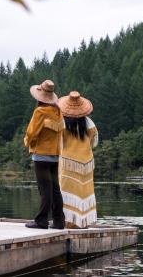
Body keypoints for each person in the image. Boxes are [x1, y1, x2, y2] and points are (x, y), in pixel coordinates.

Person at [24, 80, 65, 229]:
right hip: (55, 155)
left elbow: (31, 132)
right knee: (55, 189)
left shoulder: (40, 111)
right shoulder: (58, 110)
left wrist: (27, 142)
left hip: (41, 154)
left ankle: (41, 221)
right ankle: (59, 221)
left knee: (44, 189)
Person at [57, 91, 98, 228]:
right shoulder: (88, 123)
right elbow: (94, 142)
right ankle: (83, 222)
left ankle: (68, 222)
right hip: (86, 162)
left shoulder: (62, 122)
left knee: (66, 192)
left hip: (68, 162)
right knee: (84, 191)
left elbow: (58, 141)